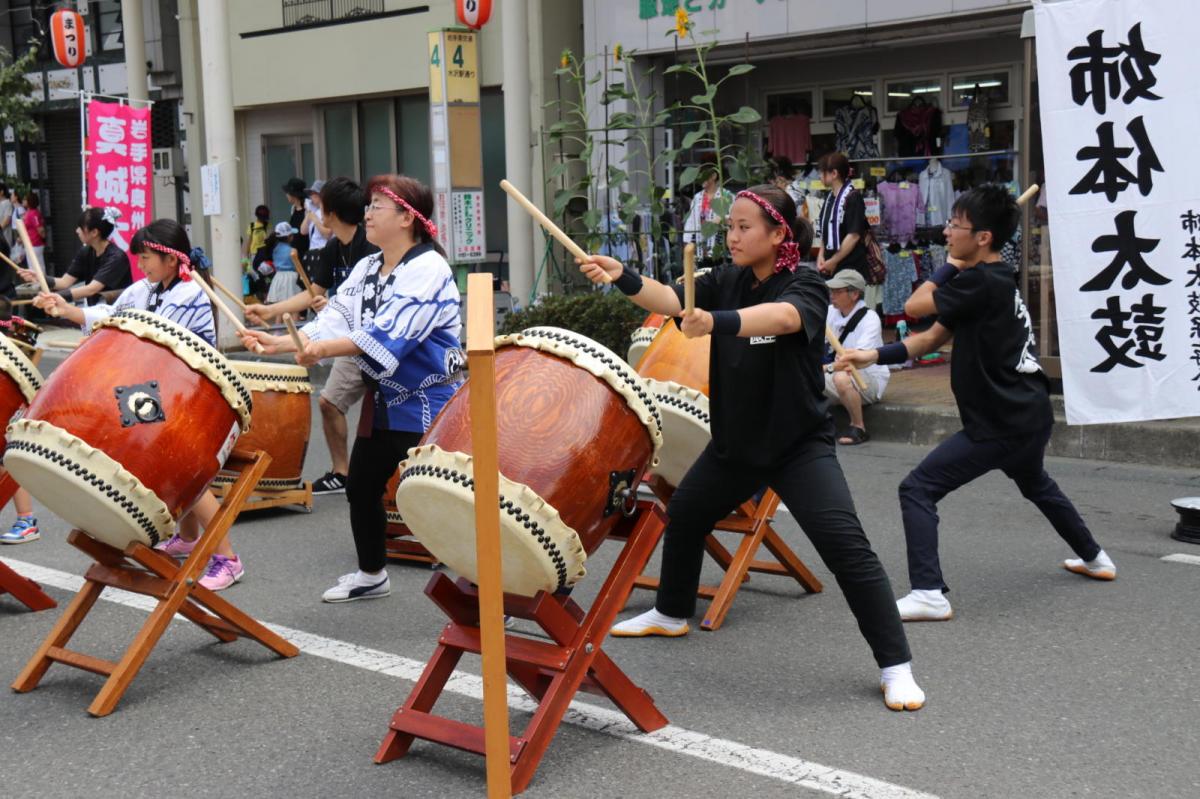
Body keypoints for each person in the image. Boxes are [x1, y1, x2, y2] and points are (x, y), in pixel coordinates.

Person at [580, 184, 925, 712]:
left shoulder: (805, 283)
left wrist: (715, 322)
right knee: (688, 511)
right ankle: (672, 613)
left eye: (744, 227)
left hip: (797, 446)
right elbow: (673, 300)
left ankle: (895, 665)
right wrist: (621, 276)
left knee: (847, 549)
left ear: (778, 232)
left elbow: (785, 319)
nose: (733, 236)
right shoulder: (727, 278)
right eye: (730, 227)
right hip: (736, 444)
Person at [837, 185, 1116, 623]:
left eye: (955, 225)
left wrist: (946, 268)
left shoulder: (977, 281)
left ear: (983, 237)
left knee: (918, 488)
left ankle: (929, 593)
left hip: (1001, 421)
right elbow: (928, 339)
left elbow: (913, 306)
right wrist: (870, 355)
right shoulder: (992, 280)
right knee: (1036, 483)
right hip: (1027, 412)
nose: (947, 231)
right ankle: (1096, 557)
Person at [240, 174, 463, 604]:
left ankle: (495, 590)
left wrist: (317, 347)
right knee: (362, 486)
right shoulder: (367, 267)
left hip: (431, 401)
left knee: (448, 500)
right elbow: (336, 318)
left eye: (377, 206)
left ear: (406, 217)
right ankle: (372, 573)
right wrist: (284, 342)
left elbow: (390, 333)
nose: (367, 214)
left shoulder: (428, 268)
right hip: (386, 399)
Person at [33, 219, 248, 591]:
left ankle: (227, 558)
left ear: (169, 258)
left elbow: (155, 339)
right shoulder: (147, 289)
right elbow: (110, 315)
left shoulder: (190, 293)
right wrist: (65, 309)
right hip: (157, 389)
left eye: (146, 257)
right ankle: (188, 538)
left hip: (189, 395)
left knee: (183, 470)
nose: (142, 264)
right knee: (165, 462)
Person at [244, 177, 378, 495]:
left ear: (331, 211)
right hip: (346, 339)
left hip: (374, 341)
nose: (315, 207)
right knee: (330, 402)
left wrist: (332, 307)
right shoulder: (334, 247)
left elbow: (362, 305)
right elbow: (313, 294)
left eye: (319, 203)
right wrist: (270, 310)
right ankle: (342, 473)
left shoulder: (371, 250)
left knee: (383, 417)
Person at [824, 269, 888, 445]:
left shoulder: (870, 318)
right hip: (836, 372)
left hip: (866, 380)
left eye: (838, 291)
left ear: (854, 294)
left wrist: (826, 368)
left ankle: (858, 426)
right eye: (832, 291)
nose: (832, 295)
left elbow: (855, 362)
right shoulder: (830, 312)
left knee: (842, 376)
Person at [18, 207, 131, 305]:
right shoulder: (86, 252)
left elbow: (91, 289)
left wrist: (54, 297)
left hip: (118, 313)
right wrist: (39, 277)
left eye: (80, 228)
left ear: (94, 232)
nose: (77, 231)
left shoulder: (116, 258)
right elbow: (64, 282)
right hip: (97, 309)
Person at [816, 151, 869, 281]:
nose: (819, 176)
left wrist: (834, 260)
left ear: (834, 174)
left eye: (822, 172)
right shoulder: (829, 198)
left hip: (849, 267)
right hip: (829, 266)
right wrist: (821, 255)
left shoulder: (853, 197)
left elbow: (854, 235)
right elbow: (825, 231)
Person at [681, 154, 733, 265]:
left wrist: (723, 220)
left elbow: (735, 221)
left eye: (703, 175)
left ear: (714, 176)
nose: (700, 178)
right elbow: (690, 226)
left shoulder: (727, 196)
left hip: (722, 254)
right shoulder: (697, 197)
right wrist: (688, 252)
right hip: (700, 253)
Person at [265, 221, 301, 304]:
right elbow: (298, 268)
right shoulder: (293, 250)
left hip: (278, 277)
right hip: (291, 278)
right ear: (289, 237)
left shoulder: (274, 249)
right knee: (294, 307)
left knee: (279, 309)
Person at [282, 178, 309, 255]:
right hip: (295, 250)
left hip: (305, 251)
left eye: (287, 193)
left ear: (293, 195)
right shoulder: (293, 209)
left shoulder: (307, 208)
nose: (286, 195)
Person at [21, 192, 45, 266]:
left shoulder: (33, 213)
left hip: (35, 244)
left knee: (36, 267)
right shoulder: (29, 212)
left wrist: (43, 238)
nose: (23, 201)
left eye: (25, 199)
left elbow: (40, 229)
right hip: (31, 244)